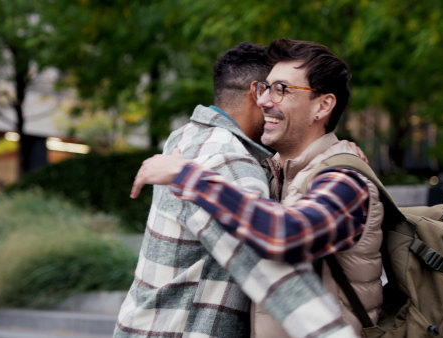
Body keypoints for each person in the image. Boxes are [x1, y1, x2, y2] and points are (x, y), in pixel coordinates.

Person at [130, 38, 384, 336]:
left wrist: (191, 177)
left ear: (323, 105)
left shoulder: (345, 178)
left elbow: (289, 233)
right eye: (265, 88)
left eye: (281, 90)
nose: (263, 101)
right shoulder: (275, 170)